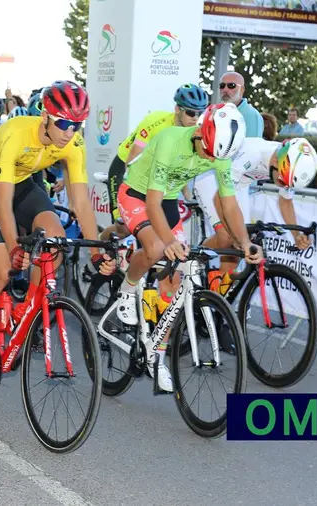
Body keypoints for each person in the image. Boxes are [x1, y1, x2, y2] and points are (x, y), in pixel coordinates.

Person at [0, 80, 114, 365]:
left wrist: (96, 253)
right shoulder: (15, 133)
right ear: (45, 116)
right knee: (3, 270)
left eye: (77, 126)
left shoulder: (74, 144)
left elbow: (81, 203)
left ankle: (27, 309)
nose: (69, 133)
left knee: (55, 239)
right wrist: (14, 248)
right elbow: (2, 204)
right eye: (64, 123)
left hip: (21, 183)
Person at [114, 103, 261, 391]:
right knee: (157, 248)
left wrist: (244, 242)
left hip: (166, 200)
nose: (210, 157)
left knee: (174, 280)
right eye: (207, 151)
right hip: (137, 194)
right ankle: (127, 288)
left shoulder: (221, 153)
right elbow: (151, 203)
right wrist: (168, 241)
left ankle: (156, 357)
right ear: (201, 133)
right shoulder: (171, 141)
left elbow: (229, 204)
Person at [196, 135, 317, 293]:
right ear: (275, 161)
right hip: (210, 179)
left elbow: (285, 201)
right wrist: (238, 238)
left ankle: (217, 303)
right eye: (282, 182)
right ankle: (194, 259)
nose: (283, 186)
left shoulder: (286, 163)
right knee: (227, 237)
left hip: (236, 185)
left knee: (235, 253)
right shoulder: (253, 154)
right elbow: (219, 199)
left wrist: (296, 235)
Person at [109, 84, 209, 224]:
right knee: (123, 227)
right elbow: (132, 159)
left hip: (152, 172)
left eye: (200, 113)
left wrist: (187, 194)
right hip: (125, 166)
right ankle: (103, 239)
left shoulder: (193, 132)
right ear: (177, 109)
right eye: (191, 113)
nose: (195, 118)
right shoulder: (156, 123)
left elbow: (182, 166)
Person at [218, 71, 264, 138]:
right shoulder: (216, 112)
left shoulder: (252, 115)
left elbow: (252, 146)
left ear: (242, 90)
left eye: (231, 85)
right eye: (222, 86)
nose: (225, 89)